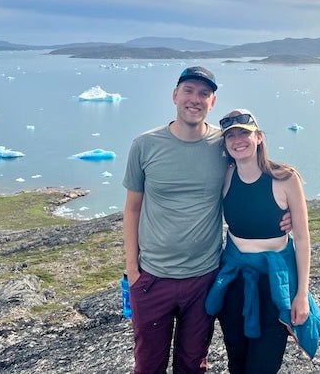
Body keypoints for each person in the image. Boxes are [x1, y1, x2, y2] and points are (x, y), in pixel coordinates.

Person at [122, 67, 290, 374]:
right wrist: (133, 270)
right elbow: (133, 208)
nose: (195, 99)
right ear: (175, 95)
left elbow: (253, 170)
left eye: (204, 94)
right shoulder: (144, 146)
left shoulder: (222, 145)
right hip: (152, 277)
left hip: (204, 277)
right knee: (148, 365)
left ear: (212, 102)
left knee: (193, 364)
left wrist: (282, 212)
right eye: (188, 90)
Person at [205, 109, 320, 374]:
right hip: (234, 280)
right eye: (230, 135)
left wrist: (301, 295)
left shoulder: (286, 178)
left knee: (264, 365)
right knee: (236, 359)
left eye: (244, 133)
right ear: (225, 143)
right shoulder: (225, 176)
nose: (238, 140)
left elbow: (302, 239)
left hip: (274, 283)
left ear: (258, 137)